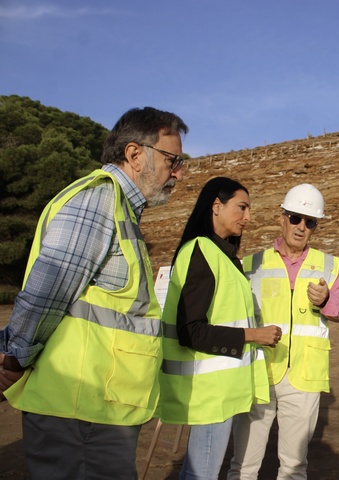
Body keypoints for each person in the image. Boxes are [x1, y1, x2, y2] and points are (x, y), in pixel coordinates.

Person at [0, 107, 188, 479]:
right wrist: (13, 358)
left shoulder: (121, 210)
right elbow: (46, 292)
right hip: (79, 411)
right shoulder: (100, 201)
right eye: (173, 159)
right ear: (135, 155)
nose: (179, 172)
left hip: (97, 409)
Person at [158, 177, 281, 480]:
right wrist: (254, 335)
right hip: (210, 393)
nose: (248, 217)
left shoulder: (223, 257)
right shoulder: (201, 252)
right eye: (242, 207)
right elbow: (192, 331)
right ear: (216, 206)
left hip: (218, 392)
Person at [229, 183, 339, 480]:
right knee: (243, 465)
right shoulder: (250, 265)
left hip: (304, 377)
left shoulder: (328, 265)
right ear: (281, 217)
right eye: (295, 218)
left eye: (309, 222)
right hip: (258, 374)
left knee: (294, 467)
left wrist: (325, 302)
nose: (301, 227)